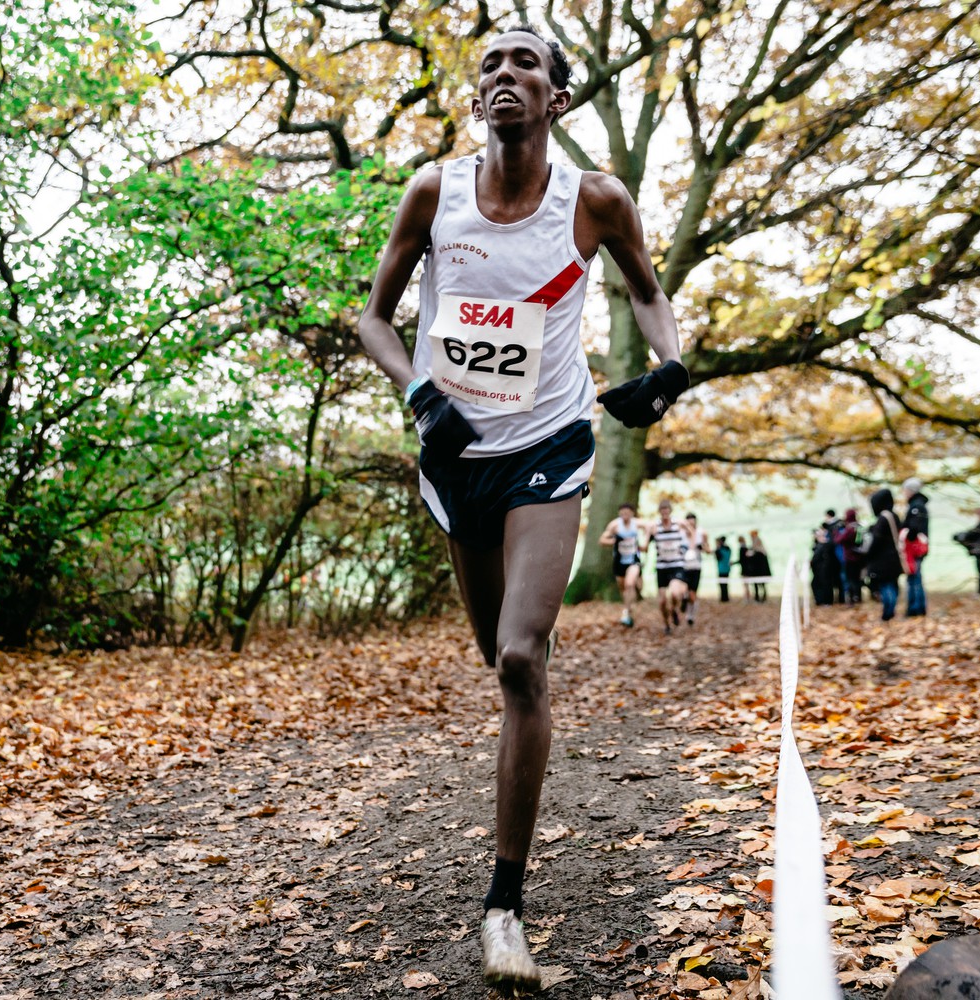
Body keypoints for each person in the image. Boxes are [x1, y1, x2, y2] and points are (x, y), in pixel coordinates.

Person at [356, 24, 688, 992]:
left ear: (558, 99)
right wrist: (421, 396)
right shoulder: (434, 192)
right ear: (477, 98)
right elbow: (374, 320)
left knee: (515, 660)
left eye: (527, 64)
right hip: (458, 460)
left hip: (550, 445)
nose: (507, 74)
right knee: (494, 650)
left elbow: (651, 297)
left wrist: (666, 372)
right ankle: (529, 647)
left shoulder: (594, 200)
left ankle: (504, 905)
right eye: (492, 64)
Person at [647, 500, 690, 634]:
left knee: (675, 593)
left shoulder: (679, 524)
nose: (664, 512)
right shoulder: (655, 526)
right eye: (662, 509)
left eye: (667, 509)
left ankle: (675, 610)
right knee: (662, 601)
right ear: (659, 511)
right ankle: (666, 624)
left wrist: (691, 548)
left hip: (676, 564)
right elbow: (645, 543)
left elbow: (692, 533)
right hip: (661, 567)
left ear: (670, 510)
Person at [598, 502, 645, 627]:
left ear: (632, 513)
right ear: (619, 514)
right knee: (623, 588)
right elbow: (602, 540)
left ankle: (626, 612)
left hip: (633, 560)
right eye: (622, 513)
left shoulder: (637, 523)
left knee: (630, 584)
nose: (625, 515)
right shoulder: (614, 525)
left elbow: (651, 526)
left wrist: (645, 542)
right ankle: (629, 609)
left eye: (627, 513)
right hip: (619, 561)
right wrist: (615, 540)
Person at [863, 488, 904, 620]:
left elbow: (877, 540)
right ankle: (890, 611)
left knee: (886, 586)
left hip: (884, 560)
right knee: (892, 585)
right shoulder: (894, 516)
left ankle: (888, 613)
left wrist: (868, 554)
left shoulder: (883, 518)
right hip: (894, 558)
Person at [901, 477, 930, 616]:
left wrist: (905, 535)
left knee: (914, 578)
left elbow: (913, 528)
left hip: (914, 549)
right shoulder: (918, 505)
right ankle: (917, 607)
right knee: (915, 578)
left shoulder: (916, 507)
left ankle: (915, 608)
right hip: (916, 549)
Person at [680, 512, 706, 624]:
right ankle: (684, 603)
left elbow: (706, 548)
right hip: (683, 566)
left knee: (692, 593)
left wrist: (703, 547)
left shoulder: (701, 533)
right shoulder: (680, 534)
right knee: (682, 591)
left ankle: (691, 615)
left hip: (696, 566)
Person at [839, 508, 865, 605]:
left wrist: (836, 532)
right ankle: (857, 596)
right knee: (857, 579)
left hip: (850, 558)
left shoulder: (850, 529)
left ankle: (853, 597)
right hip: (859, 557)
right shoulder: (859, 527)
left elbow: (839, 540)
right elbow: (859, 541)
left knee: (851, 579)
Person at [749, 529, 770, 603]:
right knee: (758, 584)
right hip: (758, 571)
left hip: (759, 571)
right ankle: (758, 597)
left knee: (761, 584)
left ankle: (761, 597)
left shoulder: (759, 550)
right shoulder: (756, 549)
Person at [714, 535, 732, 602]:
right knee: (725, 584)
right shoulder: (728, 548)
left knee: (722, 584)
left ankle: (723, 598)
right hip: (727, 568)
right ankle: (725, 597)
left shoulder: (719, 550)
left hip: (721, 568)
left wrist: (717, 548)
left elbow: (719, 558)